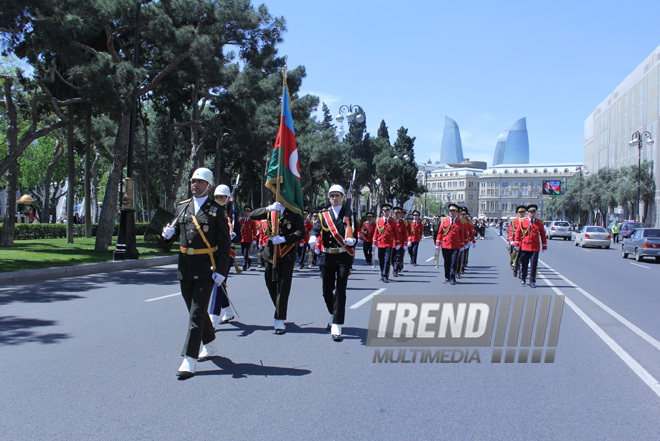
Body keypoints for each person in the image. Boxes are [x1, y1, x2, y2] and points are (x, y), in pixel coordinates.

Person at [162, 168, 231, 379]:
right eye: (193, 181)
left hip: (206, 267)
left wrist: (221, 271)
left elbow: (224, 242)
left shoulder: (216, 210)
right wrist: (167, 236)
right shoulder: (183, 207)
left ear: (208, 186)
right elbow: (174, 239)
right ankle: (209, 344)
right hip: (185, 266)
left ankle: (189, 359)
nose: (195, 185)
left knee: (197, 313)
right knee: (194, 310)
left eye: (200, 182)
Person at [308, 185, 356, 341]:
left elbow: (355, 231)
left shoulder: (349, 214)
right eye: (332, 195)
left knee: (341, 290)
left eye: (337, 195)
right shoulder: (323, 215)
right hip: (327, 257)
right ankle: (333, 313)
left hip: (343, 257)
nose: (334, 198)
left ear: (342, 197)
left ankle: (337, 324)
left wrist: (353, 240)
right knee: (326, 291)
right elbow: (315, 229)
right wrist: (313, 237)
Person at [249, 200, 305, 334]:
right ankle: (280, 307)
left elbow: (300, 233)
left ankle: (279, 319)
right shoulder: (272, 212)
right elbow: (253, 215)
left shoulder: (295, 213)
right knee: (270, 284)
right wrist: (268, 208)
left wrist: (285, 239)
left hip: (287, 253)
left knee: (283, 286)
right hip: (270, 254)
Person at [208, 184, 237, 327]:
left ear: (227, 198)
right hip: (213, 252)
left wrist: (232, 234)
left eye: (222, 197)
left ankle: (212, 318)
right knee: (221, 283)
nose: (219, 199)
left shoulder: (233, 214)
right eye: (217, 197)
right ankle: (228, 311)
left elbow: (238, 232)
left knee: (217, 284)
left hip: (226, 253)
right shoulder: (212, 211)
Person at [514, 204, 547, 288]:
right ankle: (523, 277)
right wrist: (516, 244)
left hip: (535, 247)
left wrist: (544, 246)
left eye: (534, 212)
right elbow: (518, 232)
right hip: (525, 246)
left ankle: (532, 281)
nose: (532, 214)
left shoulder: (539, 223)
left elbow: (543, 234)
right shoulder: (522, 221)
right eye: (531, 212)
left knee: (534, 264)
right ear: (528, 213)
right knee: (524, 263)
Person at [435, 203, 465, 285]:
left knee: (454, 262)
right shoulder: (444, 221)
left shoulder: (460, 223)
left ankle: (452, 277)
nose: (452, 212)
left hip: (455, 245)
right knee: (446, 262)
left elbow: (462, 234)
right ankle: (447, 276)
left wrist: (462, 245)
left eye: (454, 211)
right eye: (451, 211)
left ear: (456, 213)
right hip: (445, 245)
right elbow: (440, 233)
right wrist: (437, 243)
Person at [508, 206, 526, 278]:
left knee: (523, 256)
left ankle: (521, 270)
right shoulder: (513, 221)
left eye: (523, 212)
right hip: (515, 240)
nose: (521, 214)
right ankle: (515, 266)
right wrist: (511, 240)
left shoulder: (526, 221)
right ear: (517, 213)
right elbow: (510, 231)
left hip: (524, 241)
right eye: (520, 212)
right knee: (515, 255)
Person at [239, 206, 257, 270]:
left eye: (248, 212)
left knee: (246, 252)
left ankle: (244, 265)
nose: (247, 213)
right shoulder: (242, 220)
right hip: (242, 239)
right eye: (246, 212)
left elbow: (254, 230)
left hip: (249, 239)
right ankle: (249, 260)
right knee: (242, 252)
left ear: (250, 213)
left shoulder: (252, 221)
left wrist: (254, 238)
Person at [392, 207, 406, 277]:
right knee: (392, 258)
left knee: (398, 257)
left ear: (400, 214)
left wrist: (405, 243)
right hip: (391, 243)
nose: (396, 215)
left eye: (398, 213)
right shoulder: (391, 221)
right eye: (395, 213)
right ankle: (394, 267)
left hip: (400, 243)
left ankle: (395, 270)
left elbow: (405, 234)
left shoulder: (402, 223)